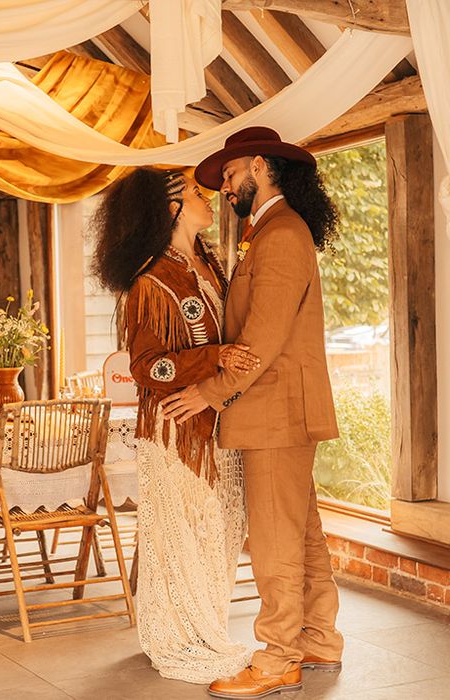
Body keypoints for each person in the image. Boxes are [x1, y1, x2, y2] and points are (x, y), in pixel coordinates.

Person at [161, 127, 344, 699]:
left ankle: (277, 658)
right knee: (301, 531)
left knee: (273, 539)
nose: (225, 189)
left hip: (277, 410)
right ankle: (318, 639)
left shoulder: (282, 233)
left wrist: (210, 393)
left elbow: (262, 337)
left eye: (232, 175)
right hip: (279, 409)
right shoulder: (264, 232)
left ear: (259, 166)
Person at [92, 167, 261, 684]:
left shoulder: (208, 264)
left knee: (222, 528)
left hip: (217, 422)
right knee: (188, 535)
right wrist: (215, 357)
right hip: (177, 431)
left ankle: (206, 624)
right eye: (194, 193)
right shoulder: (152, 279)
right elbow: (148, 367)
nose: (206, 197)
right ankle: (182, 635)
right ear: (172, 210)